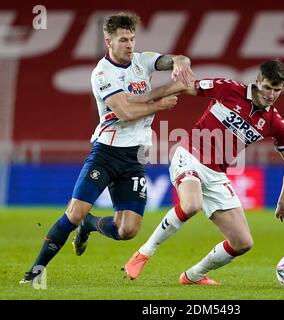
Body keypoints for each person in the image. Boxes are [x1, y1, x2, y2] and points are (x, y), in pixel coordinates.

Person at [20, 11, 193, 284]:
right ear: (108, 42)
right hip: (106, 153)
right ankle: (35, 272)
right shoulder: (102, 73)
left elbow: (168, 60)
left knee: (128, 231)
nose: (129, 45)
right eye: (123, 39)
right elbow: (124, 112)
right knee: (75, 212)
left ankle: (91, 224)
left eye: (132, 39)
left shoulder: (142, 61)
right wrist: (161, 102)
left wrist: (181, 61)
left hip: (135, 156)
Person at [124, 59, 284, 285]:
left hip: (216, 174)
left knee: (243, 242)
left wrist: (283, 201)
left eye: (277, 90)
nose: (271, 94)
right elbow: (186, 85)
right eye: (267, 87)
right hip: (189, 154)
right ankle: (144, 253)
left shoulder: (275, 122)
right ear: (257, 82)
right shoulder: (230, 89)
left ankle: (193, 276)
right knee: (191, 204)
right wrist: (144, 98)